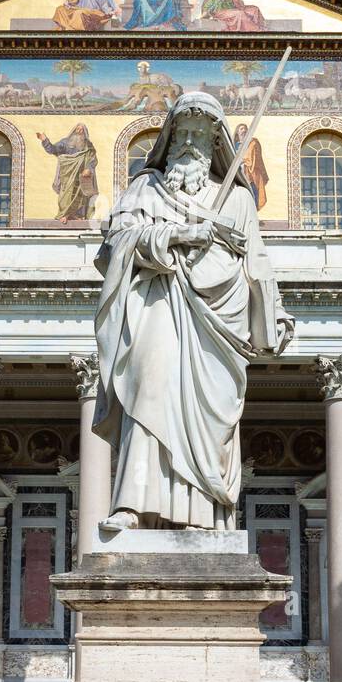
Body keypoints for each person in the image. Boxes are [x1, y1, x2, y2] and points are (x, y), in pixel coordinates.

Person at [93, 92, 293, 530]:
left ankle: (203, 513)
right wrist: (178, 235)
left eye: (199, 136)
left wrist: (273, 314)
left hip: (217, 322)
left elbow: (256, 261)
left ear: (214, 145)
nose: (189, 144)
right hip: (159, 302)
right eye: (182, 134)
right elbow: (115, 244)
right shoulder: (145, 189)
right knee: (149, 386)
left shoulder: (236, 200)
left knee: (209, 416)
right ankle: (132, 504)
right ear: (169, 139)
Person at [36, 123, 98, 222]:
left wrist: (89, 169)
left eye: (82, 130)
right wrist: (45, 140)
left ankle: (77, 215)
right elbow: (53, 149)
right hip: (67, 174)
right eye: (77, 129)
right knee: (66, 194)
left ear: (85, 133)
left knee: (80, 195)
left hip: (81, 175)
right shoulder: (65, 142)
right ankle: (64, 214)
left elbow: (93, 159)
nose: (79, 131)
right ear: (74, 130)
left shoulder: (88, 145)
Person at [233, 123, 269, 209]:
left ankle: (253, 209)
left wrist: (245, 160)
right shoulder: (235, 144)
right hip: (238, 170)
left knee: (253, 189)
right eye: (241, 129)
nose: (244, 130)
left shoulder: (253, 142)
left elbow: (255, 156)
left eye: (245, 129)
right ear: (237, 132)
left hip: (250, 171)